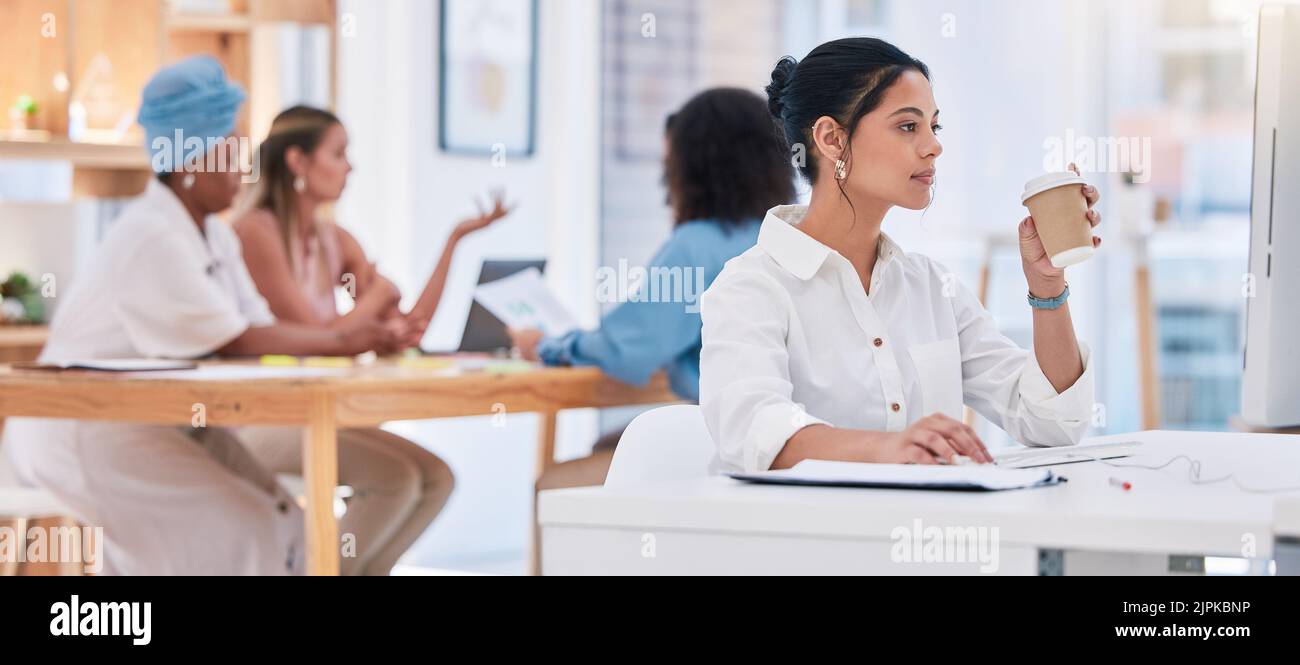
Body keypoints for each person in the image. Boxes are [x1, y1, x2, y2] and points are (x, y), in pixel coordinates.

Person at [0, 56, 398, 575]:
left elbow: (261, 330)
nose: (244, 166)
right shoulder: (151, 234)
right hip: (84, 431)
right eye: (232, 150)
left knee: (284, 523)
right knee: (250, 530)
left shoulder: (211, 233)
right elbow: (239, 340)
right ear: (192, 157)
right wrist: (348, 338)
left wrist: (351, 335)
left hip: (151, 422)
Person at [700, 38, 1101, 474]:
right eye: (908, 126)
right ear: (832, 139)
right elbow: (755, 433)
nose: (934, 146)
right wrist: (889, 448)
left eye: (935, 126)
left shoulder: (931, 288)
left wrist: (1047, 286)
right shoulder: (751, 287)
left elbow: (1052, 422)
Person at [230, 105, 512, 575]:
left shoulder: (334, 239)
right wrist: (374, 301)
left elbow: (408, 325)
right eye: (338, 154)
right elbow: (317, 337)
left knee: (435, 478)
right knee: (393, 478)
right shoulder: (254, 233)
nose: (350, 167)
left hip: (318, 410)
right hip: (258, 415)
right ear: (298, 162)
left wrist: (453, 243)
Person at [509, 88, 795, 489]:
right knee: (608, 444)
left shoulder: (695, 245)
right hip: (789, 432)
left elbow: (628, 351)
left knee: (555, 484)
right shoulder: (787, 234)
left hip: (729, 440)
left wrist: (547, 345)